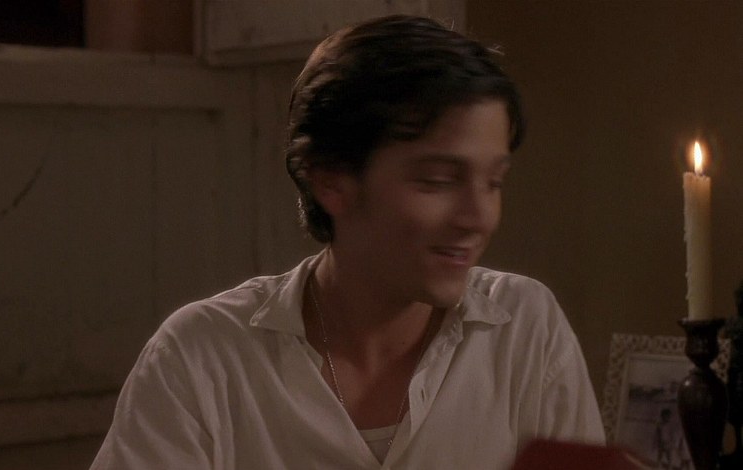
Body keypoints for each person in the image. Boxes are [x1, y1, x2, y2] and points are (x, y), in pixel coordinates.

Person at [91, 15, 605, 470]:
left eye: (494, 182)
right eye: (437, 180)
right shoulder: (201, 358)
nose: (479, 217)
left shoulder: (524, 329)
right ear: (331, 179)